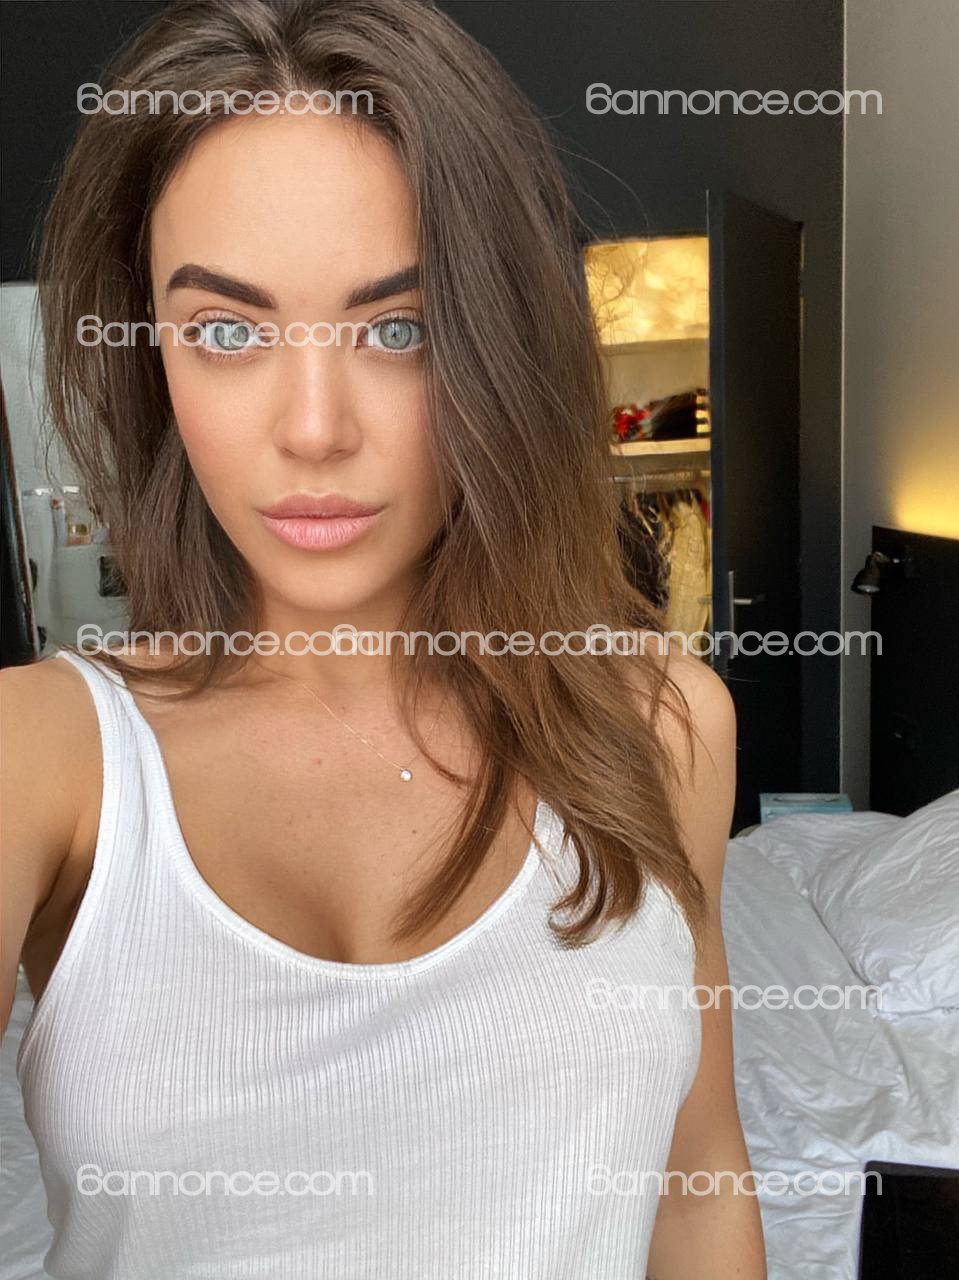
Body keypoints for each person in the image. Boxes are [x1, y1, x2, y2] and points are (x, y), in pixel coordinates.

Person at [0, 1, 766, 1276]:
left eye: (398, 327)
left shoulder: (664, 723)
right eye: (228, 331)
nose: (313, 428)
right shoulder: (40, 755)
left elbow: (695, 1189)